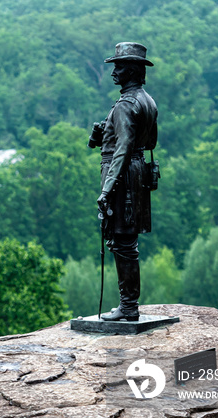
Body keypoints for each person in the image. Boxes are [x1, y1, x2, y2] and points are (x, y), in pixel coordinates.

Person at [87, 42, 158, 322]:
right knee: (125, 241)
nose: (114, 72)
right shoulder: (147, 101)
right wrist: (104, 131)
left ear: (131, 70)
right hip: (136, 173)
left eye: (118, 67)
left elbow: (124, 148)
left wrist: (107, 189)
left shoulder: (126, 105)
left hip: (123, 176)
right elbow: (148, 141)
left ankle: (128, 307)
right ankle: (128, 305)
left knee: (122, 243)